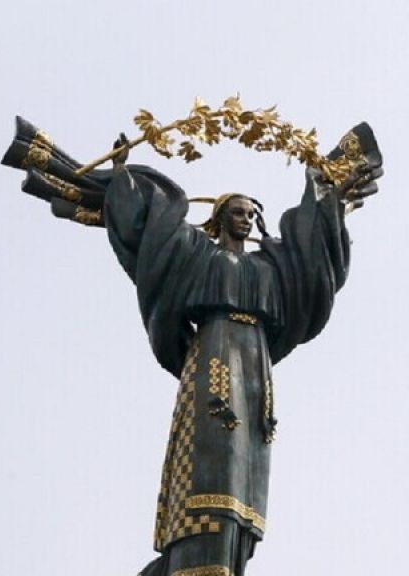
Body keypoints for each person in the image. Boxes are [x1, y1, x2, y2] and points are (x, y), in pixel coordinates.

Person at [96, 133, 382, 576]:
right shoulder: (199, 256)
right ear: (219, 219)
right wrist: (121, 177)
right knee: (214, 456)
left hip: (255, 367)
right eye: (237, 213)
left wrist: (327, 197)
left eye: (251, 214)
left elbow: (311, 259)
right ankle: (197, 552)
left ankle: (232, 552)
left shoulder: (271, 266)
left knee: (246, 467)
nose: (246, 220)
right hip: (213, 356)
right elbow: (152, 233)